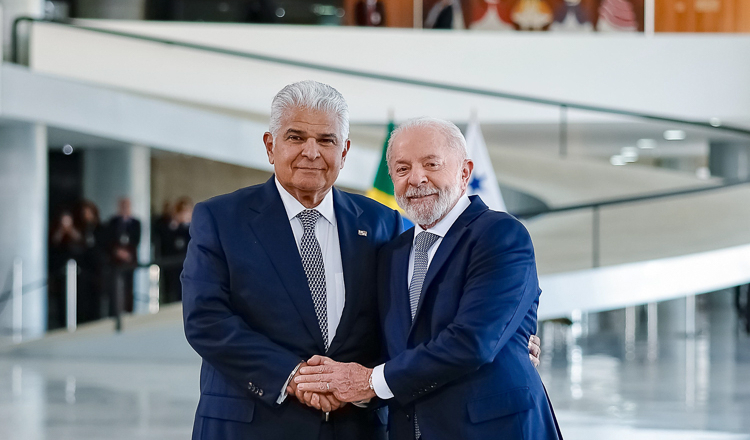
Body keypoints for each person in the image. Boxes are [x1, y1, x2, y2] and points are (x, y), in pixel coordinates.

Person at [181, 82, 541, 440]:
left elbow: (405, 324)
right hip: (251, 426)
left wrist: (508, 339)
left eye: (326, 140)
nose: (311, 152)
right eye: (295, 137)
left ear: (345, 151)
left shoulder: (382, 223)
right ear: (270, 146)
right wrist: (293, 376)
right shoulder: (220, 218)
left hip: (356, 427)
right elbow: (205, 319)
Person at [296, 118, 561, 439]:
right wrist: (336, 385)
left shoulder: (501, 235)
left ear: (465, 172)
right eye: (402, 168)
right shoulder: (393, 254)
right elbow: (392, 352)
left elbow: (473, 342)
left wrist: (368, 382)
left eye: (431, 164)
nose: (416, 178)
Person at [106, 197, 141, 314]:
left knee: (129, 286)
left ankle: (129, 311)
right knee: (114, 286)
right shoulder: (113, 222)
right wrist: (118, 252)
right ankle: (115, 312)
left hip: (130, 259)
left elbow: (136, 240)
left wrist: (127, 254)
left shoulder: (136, 223)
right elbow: (109, 240)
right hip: (115, 260)